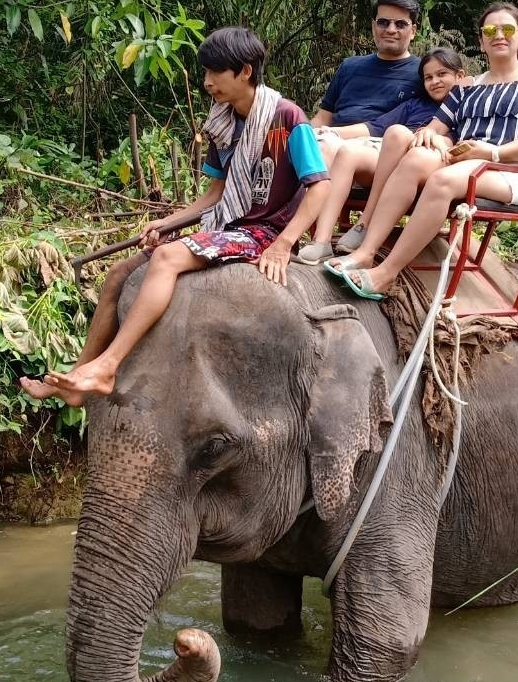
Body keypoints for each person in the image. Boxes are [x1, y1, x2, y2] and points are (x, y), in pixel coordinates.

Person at [20, 27, 330, 404]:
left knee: (167, 258)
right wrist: (168, 222)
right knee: (118, 273)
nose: (207, 82)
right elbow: (215, 193)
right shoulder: (222, 121)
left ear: (245, 71)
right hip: (226, 226)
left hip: (262, 231)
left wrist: (283, 244)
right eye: (205, 72)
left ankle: (108, 366)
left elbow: (319, 186)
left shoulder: (288, 117)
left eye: (215, 72)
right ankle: (75, 380)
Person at [324, 2, 518, 301]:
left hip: (508, 171)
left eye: (507, 29)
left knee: (442, 181)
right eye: (490, 30)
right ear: (481, 41)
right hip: (460, 160)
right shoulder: (468, 86)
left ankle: (386, 273)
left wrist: (490, 153)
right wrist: (433, 137)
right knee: (415, 158)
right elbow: (435, 127)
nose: (499, 35)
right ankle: (365, 252)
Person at [296, 47, 468, 264]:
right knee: (348, 152)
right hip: (390, 159)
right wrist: (329, 131)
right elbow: (375, 127)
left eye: (442, 74)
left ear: (459, 76)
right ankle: (321, 241)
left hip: (426, 167)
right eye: (428, 77)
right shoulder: (416, 104)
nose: (435, 81)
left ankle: (365, 224)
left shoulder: (466, 107)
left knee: (398, 133)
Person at [311, 0, 423, 131]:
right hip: (329, 137)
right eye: (383, 23)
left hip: (383, 141)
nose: (391, 30)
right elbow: (323, 117)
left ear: (413, 31)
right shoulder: (349, 67)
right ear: (373, 26)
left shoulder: (424, 73)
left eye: (400, 24)